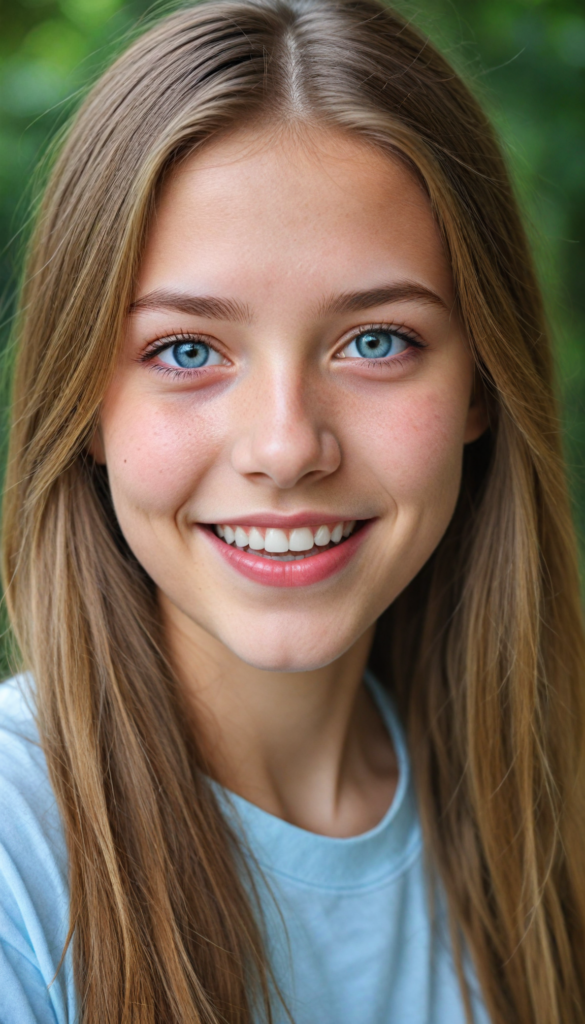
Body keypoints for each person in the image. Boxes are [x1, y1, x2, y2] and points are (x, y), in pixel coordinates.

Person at [1, 0, 584, 1021]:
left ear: (483, 386)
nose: (284, 447)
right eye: (187, 351)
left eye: (375, 341)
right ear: (84, 404)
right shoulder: (19, 858)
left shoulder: (552, 802)